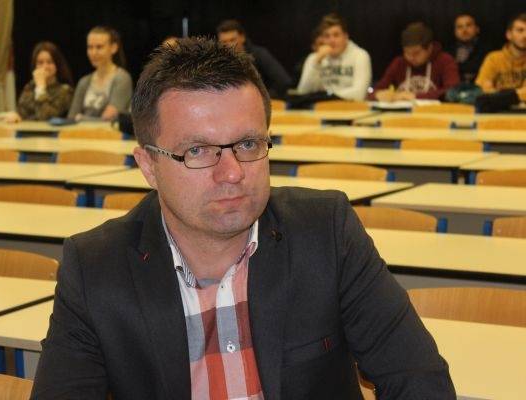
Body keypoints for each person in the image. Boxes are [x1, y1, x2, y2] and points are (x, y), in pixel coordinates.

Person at [32, 37, 455, 399]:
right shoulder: (95, 267)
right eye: (198, 151)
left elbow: (418, 380)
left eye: (249, 144)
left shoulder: (326, 232)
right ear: (148, 166)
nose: (232, 172)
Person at [372, 22, 459, 101]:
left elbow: (453, 92)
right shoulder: (399, 63)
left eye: (416, 53)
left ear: (429, 48)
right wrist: (378, 94)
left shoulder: (445, 61)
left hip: (434, 111)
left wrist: (415, 96)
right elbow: (374, 91)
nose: (411, 57)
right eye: (406, 52)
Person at [297, 14, 372, 101]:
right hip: (320, 107)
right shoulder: (314, 58)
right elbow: (302, 92)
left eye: (336, 35)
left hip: (350, 108)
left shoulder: (360, 56)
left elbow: (359, 94)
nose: (331, 40)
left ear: (346, 36)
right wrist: (316, 63)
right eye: (327, 36)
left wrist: (327, 97)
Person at [68, 26, 133, 121]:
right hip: (81, 130)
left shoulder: (122, 78)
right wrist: (78, 119)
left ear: (113, 48)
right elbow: (71, 118)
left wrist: (81, 118)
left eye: (99, 47)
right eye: (90, 47)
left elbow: (108, 119)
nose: (93, 52)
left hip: (107, 131)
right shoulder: (84, 81)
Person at [217, 19, 292, 97]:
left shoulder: (259, 54)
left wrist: (262, 97)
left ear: (242, 37)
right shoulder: (219, 60)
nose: (229, 45)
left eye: (232, 40)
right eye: (224, 42)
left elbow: (283, 81)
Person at [5, 41, 73, 122]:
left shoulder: (65, 91)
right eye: (40, 63)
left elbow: (45, 117)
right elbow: (21, 112)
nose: (45, 66)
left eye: (49, 62)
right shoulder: (30, 87)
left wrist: (41, 89)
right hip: (27, 129)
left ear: (57, 65)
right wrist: (16, 116)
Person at [475, 13, 526, 103]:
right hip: (497, 108)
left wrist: (499, 95)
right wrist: (516, 95)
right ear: (509, 34)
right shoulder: (493, 58)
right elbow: (482, 89)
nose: (525, 35)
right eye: (520, 30)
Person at [447, 14, 492, 83]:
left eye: (468, 25)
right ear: (455, 32)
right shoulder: (448, 51)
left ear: (477, 29)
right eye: (459, 27)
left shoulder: (487, 49)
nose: (464, 30)